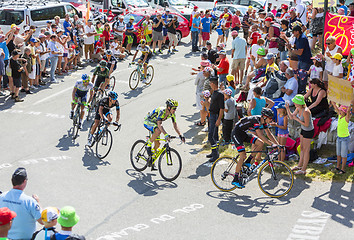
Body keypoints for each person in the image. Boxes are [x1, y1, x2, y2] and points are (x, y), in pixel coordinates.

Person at [231, 108, 279, 188]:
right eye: (270, 118)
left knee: (260, 143)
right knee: (242, 155)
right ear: (264, 117)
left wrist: (277, 144)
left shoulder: (263, 121)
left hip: (244, 133)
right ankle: (235, 179)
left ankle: (248, 161)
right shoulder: (256, 120)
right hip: (236, 133)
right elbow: (260, 135)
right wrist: (271, 144)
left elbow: (269, 134)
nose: (271, 120)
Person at [0, 168, 43, 240]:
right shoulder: (30, 201)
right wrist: (38, 202)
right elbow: (42, 220)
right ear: (24, 181)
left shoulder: (1, 197)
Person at [144, 99, 185, 169]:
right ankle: (148, 145)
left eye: (176, 108)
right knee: (158, 131)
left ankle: (151, 158)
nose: (175, 110)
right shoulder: (162, 111)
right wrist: (166, 134)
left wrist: (180, 135)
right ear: (169, 107)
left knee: (158, 144)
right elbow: (159, 124)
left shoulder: (172, 114)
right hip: (149, 122)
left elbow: (175, 125)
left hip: (156, 125)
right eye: (174, 108)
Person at [286, 95, 314, 175]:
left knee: (306, 150)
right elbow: (291, 117)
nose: (294, 103)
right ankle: (299, 165)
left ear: (299, 103)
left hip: (308, 131)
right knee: (301, 147)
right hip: (303, 130)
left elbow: (306, 124)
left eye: (295, 102)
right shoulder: (298, 108)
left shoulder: (306, 111)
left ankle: (304, 169)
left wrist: (297, 119)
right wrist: (287, 109)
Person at [205, 77, 224, 162]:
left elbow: (222, 108)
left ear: (213, 84)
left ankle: (215, 155)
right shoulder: (214, 93)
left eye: (210, 83)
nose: (209, 85)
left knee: (211, 136)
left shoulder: (220, 94)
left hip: (215, 116)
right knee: (214, 135)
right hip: (211, 115)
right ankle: (214, 152)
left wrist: (219, 119)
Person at [331, 102, 352, 174]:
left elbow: (349, 111)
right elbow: (335, 107)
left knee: (344, 155)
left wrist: (350, 105)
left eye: (341, 111)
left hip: (344, 139)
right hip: (339, 138)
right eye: (339, 110)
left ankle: (343, 169)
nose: (339, 111)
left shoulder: (346, 118)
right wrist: (332, 101)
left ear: (345, 112)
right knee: (338, 154)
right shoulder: (339, 116)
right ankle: (338, 167)